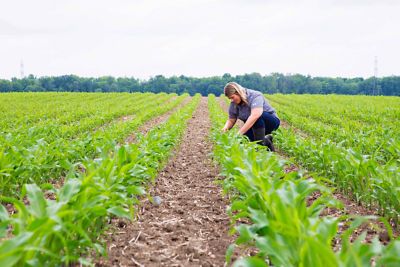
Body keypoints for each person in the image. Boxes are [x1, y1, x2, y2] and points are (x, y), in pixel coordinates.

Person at [222, 82, 280, 151]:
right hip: (255, 126)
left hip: (271, 122)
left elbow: (255, 115)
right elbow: (231, 120)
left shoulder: (255, 95)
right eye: (230, 98)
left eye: (232, 97)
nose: (232, 100)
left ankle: (262, 142)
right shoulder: (234, 103)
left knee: (258, 141)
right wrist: (225, 129)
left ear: (238, 92)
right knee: (243, 141)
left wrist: (239, 133)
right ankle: (266, 140)